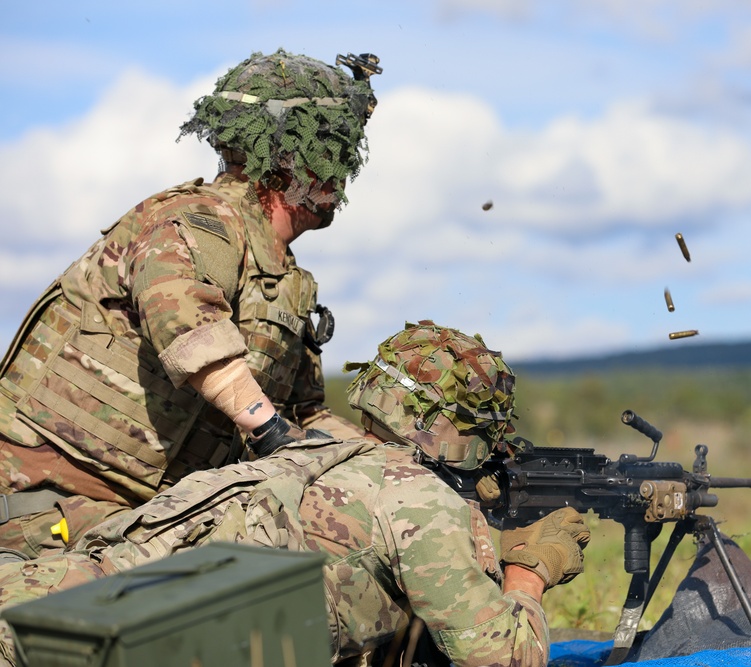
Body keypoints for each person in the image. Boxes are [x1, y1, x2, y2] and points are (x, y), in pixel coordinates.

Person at [0, 321, 591, 666]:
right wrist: (529, 571)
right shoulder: (417, 497)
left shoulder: (310, 453)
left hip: (60, 592)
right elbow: (501, 658)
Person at [0, 49, 382, 557]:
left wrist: (388, 462)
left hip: (140, 520)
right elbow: (183, 321)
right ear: (294, 154)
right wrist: (267, 429)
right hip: (50, 508)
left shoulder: (286, 278)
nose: (344, 174)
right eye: (335, 151)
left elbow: (304, 417)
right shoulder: (202, 220)